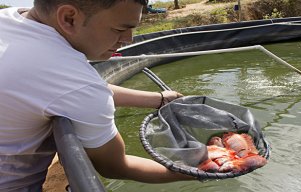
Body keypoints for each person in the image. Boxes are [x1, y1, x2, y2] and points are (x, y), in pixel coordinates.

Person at [0, 0, 194, 191]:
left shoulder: (11, 18)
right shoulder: (74, 81)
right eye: (119, 29)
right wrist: (197, 170)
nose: (129, 39)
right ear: (68, 18)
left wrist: (159, 99)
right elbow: (116, 166)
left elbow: (71, 87)